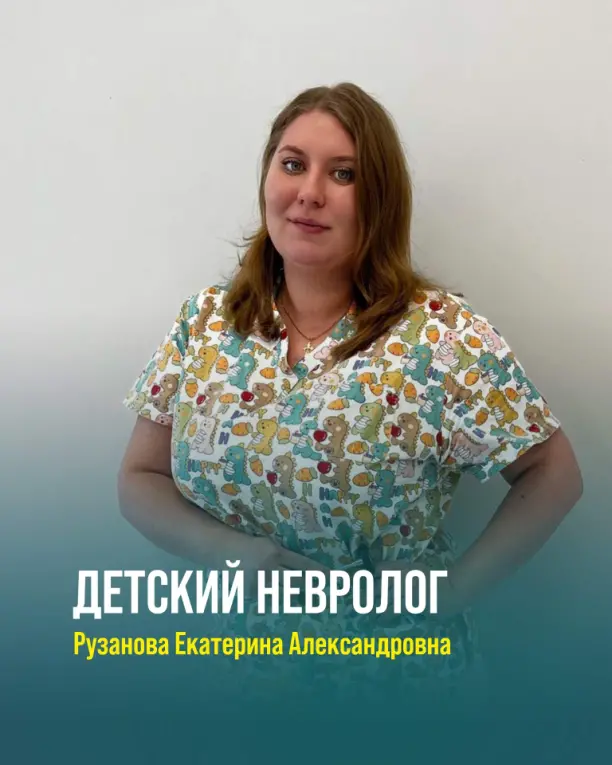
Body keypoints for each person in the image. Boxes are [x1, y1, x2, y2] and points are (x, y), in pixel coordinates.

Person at [118, 82, 583, 694]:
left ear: (379, 200)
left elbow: (554, 472)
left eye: (343, 174)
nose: (310, 192)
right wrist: (230, 553)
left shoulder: (441, 337)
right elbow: (140, 477)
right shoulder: (206, 322)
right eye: (293, 164)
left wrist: (454, 590)